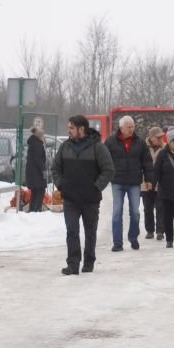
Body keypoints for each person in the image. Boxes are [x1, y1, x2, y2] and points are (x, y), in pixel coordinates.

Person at [51, 115, 113, 275]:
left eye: (71, 128)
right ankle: (72, 264)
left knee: (90, 232)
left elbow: (108, 170)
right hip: (70, 198)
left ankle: (89, 262)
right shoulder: (65, 147)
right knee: (72, 231)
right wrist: (61, 185)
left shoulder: (98, 148)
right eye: (69, 127)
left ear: (81, 129)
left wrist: (96, 187)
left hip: (90, 199)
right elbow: (55, 169)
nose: (69, 131)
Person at [104, 115, 152, 251]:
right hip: (117, 181)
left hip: (134, 182)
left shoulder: (139, 142)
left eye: (133, 127)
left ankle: (133, 238)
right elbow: (103, 161)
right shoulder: (110, 142)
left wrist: (148, 179)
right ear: (121, 128)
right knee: (117, 211)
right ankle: (117, 243)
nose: (131, 129)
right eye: (128, 127)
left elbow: (147, 162)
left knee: (135, 212)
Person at [142, 125, 166, 239]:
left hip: (161, 183)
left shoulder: (165, 148)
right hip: (145, 183)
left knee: (161, 208)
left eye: (161, 137)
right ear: (151, 137)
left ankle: (160, 231)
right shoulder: (142, 147)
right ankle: (150, 230)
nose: (160, 139)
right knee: (148, 208)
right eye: (158, 137)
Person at [25, 123, 48, 212]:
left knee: (35, 191)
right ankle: (37, 210)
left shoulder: (33, 143)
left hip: (32, 172)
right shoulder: (37, 145)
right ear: (39, 136)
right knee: (40, 190)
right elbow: (38, 160)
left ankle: (32, 210)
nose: (43, 137)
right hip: (37, 173)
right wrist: (43, 170)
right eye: (43, 135)